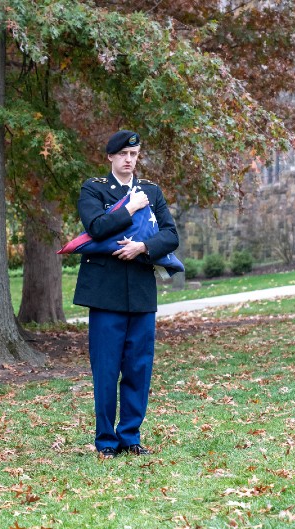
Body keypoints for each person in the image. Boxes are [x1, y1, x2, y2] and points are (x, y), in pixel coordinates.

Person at [72, 130, 179, 459]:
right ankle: (106, 440)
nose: (129, 160)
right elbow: (97, 228)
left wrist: (143, 246)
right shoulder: (94, 189)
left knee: (138, 367)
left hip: (141, 293)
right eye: (123, 155)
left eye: (134, 154)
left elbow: (170, 234)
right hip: (106, 295)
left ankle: (130, 435)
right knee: (106, 369)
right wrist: (129, 208)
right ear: (111, 157)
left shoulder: (151, 191)